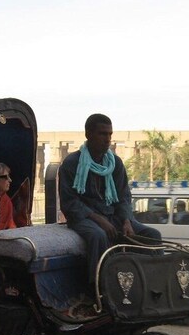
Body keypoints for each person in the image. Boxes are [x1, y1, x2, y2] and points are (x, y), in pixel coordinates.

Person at [58, 113, 161, 284]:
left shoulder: (115, 163)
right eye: (102, 134)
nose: (107, 139)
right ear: (88, 135)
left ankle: (152, 284)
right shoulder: (71, 163)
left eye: (110, 134)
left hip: (113, 216)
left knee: (152, 234)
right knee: (98, 235)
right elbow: (69, 202)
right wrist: (98, 219)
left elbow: (124, 197)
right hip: (84, 218)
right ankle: (100, 288)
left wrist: (127, 220)